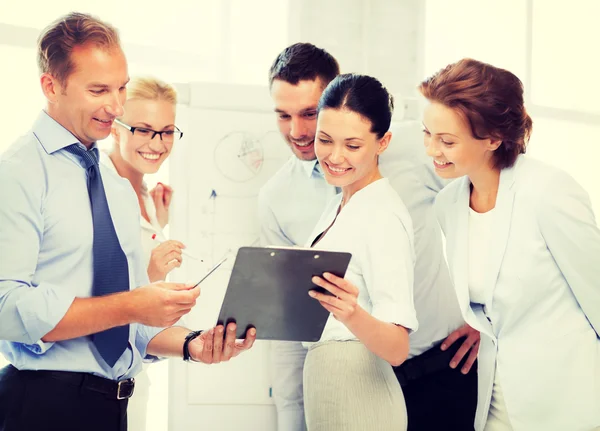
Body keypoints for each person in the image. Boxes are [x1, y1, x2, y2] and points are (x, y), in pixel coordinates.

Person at [0, 12, 254, 431]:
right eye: (98, 89)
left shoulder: (115, 187)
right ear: (51, 86)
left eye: (120, 87)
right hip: (41, 406)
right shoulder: (18, 172)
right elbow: (6, 307)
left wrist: (193, 345)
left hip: (112, 409)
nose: (116, 106)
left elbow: (127, 325)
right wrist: (133, 304)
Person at [260, 42, 478, 431]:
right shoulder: (282, 198)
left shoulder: (416, 150)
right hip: (353, 382)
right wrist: (291, 418)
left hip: (440, 366)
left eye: (309, 114)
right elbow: (294, 327)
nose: (298, 132)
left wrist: (485, 313)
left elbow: (488, 192)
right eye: (283, 115)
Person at [421, 58, 600, 431]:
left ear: (492, 139)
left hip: (570, 398)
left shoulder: (549, 192)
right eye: (427, 134)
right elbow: (492, 290)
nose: (432, 150)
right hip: (496, 398)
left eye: (447, 141)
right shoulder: (448, 204)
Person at [302, 73, 416, 431]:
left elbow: (398, 347)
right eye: (325, 140)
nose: (334, 157)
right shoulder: (339, 204)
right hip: (327, 381)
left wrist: (351, 313)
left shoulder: (383, 214)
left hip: (360, 389)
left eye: (352, 146)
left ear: (383, 143)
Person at [102, 76, 188, 431]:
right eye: (143, 129)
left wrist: (157, 225)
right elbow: (97, 301)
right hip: (91, 385)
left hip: (133, 380)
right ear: (115, 129)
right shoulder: (99, 189)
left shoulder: (149, 198)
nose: (158, 143)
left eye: (167, 131)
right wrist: (152, 275)